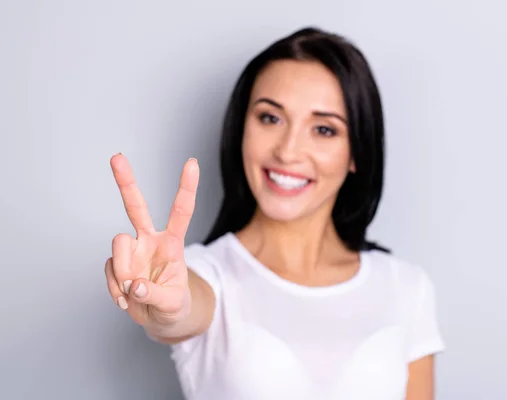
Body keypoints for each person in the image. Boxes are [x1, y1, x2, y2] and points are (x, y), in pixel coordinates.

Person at [105, 27, 445, 400]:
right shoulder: (204, 274)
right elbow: (181, 308)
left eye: (323, 129)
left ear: (356, 153)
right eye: (270, 118)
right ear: (241, 129)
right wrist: (166, 308)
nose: (288, 151)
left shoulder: (406, 287)